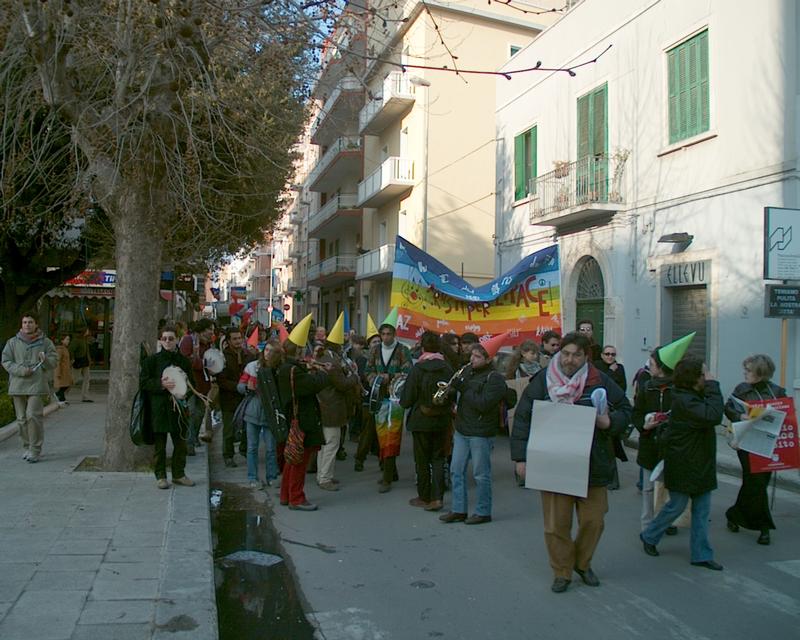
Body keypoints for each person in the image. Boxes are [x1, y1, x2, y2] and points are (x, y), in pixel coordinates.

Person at [511, 332, 631, 593]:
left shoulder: (599, 380)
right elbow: (522, 417)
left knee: (594, 521)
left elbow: (625, 409)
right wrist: (520, 458)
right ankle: (562, 570)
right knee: (556, 525)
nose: (569, 359)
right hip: (554, 464)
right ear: (558, 353)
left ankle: (582, 562)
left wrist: (609, 422)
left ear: (585, 356)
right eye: (565, 353)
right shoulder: (543, 380)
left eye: (576, 354)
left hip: (593, 464)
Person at [639, 357, 724, 571]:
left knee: (702, 511)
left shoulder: (692, 396)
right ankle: (649, 535)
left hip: (700, 461)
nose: (708, 377)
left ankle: (701, 553)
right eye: (704, 374)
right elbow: (713, 415)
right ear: (695, 378)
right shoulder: (685, 400)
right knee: (675, 506)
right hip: (684, 462)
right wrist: (713, 386)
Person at [439, 341, 507, 525]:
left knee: (480, 474)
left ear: (488, 358)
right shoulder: (467, 371)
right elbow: (461, 395)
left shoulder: (495, 379)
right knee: (456, 470)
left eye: (477, 357)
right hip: (462, 428)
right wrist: (449, 393)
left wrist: (463, 388)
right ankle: (458, 509)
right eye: (472, 356)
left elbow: (483, 404)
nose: (472, 360)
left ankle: (483, 511)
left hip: (480, 432)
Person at [724, 354, 785, 545]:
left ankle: (734, 514)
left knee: (756, 484)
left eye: (749, 370)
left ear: (761, 373)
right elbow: (728, 408)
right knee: (755, 482)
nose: (745, 373)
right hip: (747, 443)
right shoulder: (741, 390)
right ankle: (764, 526)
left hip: (767, 443)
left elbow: (786, 415)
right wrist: (740, 416)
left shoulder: (777, 391)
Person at [277, 328, 331, 511]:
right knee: (299, 461)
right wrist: (323, 373)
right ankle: (297, 498)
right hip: (302, 419)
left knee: (291, 460)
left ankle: (286, 495)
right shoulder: (293, 371)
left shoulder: (287, 368)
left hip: (295, 417)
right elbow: (312, 386)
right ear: (299, 351)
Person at [400, 331, 454, 512]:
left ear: (422, 347)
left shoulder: (418, 369)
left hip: (421, 420)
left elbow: (407, 398)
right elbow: (453, 393)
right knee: (438, 458)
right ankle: (437, 498)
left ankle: (424, 496)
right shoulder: (447, 368)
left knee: (422, 460)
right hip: (441, 419)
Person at [139, 324, 196, 489]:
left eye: (171, 338)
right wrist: (161, 384)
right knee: (160, 446)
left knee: (181, 444)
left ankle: (179, 474)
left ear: (177, 340)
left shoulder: (183, 361)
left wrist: (184, 394)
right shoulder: (151, 361)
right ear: (160, 340)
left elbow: (192, 384)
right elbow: (143, 383)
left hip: (179, 408)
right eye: (164, 339)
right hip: (159, 409)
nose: (168, 342)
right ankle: (161, 476)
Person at [2, 312, 57, 463]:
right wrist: (20, 370)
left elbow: (53, 362)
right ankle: (27, 446)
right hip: (18, 384)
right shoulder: (12, 342)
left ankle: (35, 449)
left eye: (30, 322)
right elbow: (6, 361)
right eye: (25, 322)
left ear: (36, 324)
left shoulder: (45, 342)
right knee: (21, 419)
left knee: (33, 415)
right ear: (21, 324)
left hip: (37, 384)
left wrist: (45, 360)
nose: (27, 325)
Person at [364, 321, 413, 492]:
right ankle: (391, 470)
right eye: (383, 334)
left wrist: (390, 377)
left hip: (395, 399)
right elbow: (367, 370)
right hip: (379, 397)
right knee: (381, 434)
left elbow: (408, 372)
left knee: (392, 435)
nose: (385, 337)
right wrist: (376, 380)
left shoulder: (402, 350)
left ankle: (387, 478)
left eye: (388, 334)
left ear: (394, 335)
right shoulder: (375, 350)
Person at [315, 338, 361, 491]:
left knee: (324, 444)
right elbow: (342, 384)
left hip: (324, 405)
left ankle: (322, 474)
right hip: (332, 407)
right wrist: (354, 377)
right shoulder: (333, 363)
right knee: (332, 443)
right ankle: (325, 478)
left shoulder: (322, 358)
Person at [237, 340, 284, 490]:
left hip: (270, 413)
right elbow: (240, 386)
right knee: (252, 447)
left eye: (272, 351)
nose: (268, 353)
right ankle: (253, 477)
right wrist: (246, 387)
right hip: (253, 411)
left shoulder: (280, 369)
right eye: (266, 350)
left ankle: (272, 476)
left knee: (271, 448)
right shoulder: (252, 367)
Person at [218, 327, 256, 467]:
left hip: (246, 398)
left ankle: (244, 449)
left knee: (247, 427)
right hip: (229, 398)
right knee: (229, 429)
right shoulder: (223, 357)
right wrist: (238, 387)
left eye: (239, 338)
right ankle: (228, 455)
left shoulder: (249, 355)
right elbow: (222, 380)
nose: (238, 341)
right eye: (234, 339)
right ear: (228, 341)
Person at [181, 318, 215, 454]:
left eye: (212, 330)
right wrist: (203, 364)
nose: (211, 332)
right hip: (189, 384)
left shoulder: (209, 345)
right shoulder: (189, 340)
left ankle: (193, 437)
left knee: (200, 413)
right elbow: (184, 360)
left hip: (203, 384)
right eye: (209, 329)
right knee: (192, 412)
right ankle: (188, 443)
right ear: (201, 330)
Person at [354, 331, 383, 471]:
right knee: (368, 431)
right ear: (369, 345)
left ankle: (384, 462)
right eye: (374, 342)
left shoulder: (384, 357)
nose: (377, 344)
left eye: (379, 341)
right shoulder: (362, 359)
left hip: (383, 399)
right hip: (368, 399)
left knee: (383, 433)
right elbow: (362, 377)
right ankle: (359, 459)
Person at [69, 326, 93, 402]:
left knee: (87, 378)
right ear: (84, 331)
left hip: (85, 362)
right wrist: (72, 358)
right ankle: (61, 392)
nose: (88, 332)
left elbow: (87, 351)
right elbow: (71, 350)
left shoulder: (85, 339)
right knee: (74, 379)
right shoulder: (76, 340)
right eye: (87, 331)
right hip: (78, 362)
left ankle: (85, 396)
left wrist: (89, 360)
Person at [54, 333, 74, 405]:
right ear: (62, 340)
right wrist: (58, 372)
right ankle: (60, 397)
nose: (68, 341)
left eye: (69, 339)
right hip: (62, 371)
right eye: (67, 339)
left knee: (67, 384)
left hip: (66, 370)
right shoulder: (60, 349)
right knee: (64, 385)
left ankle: (60, 396)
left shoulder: (65, 349)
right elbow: (58, 361)